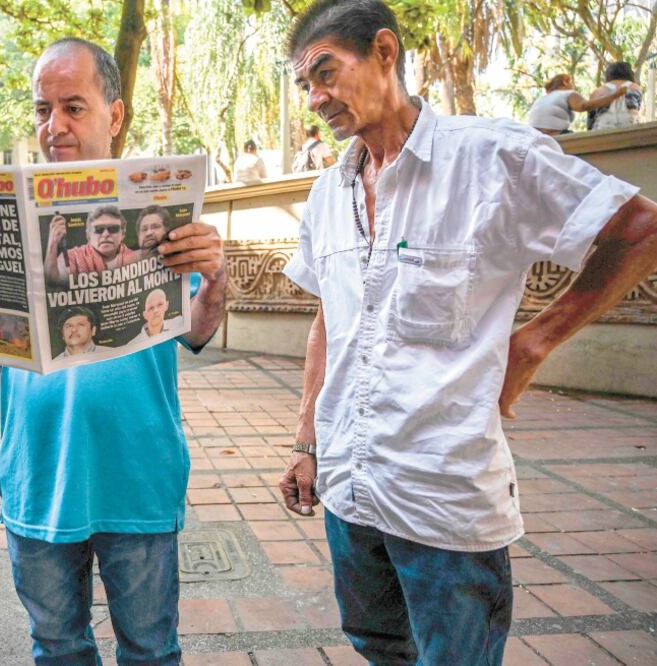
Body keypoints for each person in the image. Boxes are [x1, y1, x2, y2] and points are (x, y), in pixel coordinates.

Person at [279, 2, 657, 665]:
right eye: (304, 86)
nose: (315, 99)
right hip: (347, 485)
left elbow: (639, 230)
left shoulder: (492, 157)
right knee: (375, 644)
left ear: (385, 52)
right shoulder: (324, 194)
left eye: (325, 73)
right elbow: (326, 321)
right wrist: (305, 439)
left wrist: (535, 341)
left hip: (442, 498)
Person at [0, 37, 227, 665]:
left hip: (138, 473)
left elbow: (200, 331)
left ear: (115, 115)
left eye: (74, 107)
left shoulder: (160, 209)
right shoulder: (16, 207)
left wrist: (217, 275)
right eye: (43, 109)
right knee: (57, 648)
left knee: (150, 651)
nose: (54, 126)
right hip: (39, 474)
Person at [45, 205, 138, 283]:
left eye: (113, 229)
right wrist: (52, 243)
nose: (105, 234)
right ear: (88, 235)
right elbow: (52, 281)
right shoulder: (71, 257)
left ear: (123, 234)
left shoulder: (136, 258)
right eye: (99, 229)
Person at [526, 73, 626, 135]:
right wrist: (615, 95)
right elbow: (584, 106)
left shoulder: (541, 99)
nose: (573, 86)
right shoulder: (568, 93)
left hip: (534, 136)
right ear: (565, 82)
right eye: (571, 83)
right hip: (554, 134)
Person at [589, 61, 644, 131]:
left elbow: (591, 119)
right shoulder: (635, 87)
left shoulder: (597, 92)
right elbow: (637, 109)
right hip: (630, 128)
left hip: (602, 130)